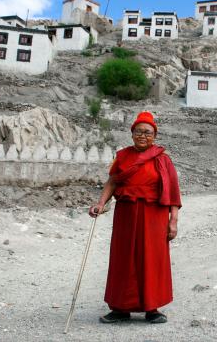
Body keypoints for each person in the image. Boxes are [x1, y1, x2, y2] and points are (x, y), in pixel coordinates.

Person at [89, 111, 181, 324]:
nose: (143, 136)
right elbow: (112, 182)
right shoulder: (122, 157)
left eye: (148, 132)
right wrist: (100, 203)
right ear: (132, 134)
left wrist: (173, 221)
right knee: (123, 259)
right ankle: (120, 308)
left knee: (152, 259)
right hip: (126, 215)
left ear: (154, 136)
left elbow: (173, 192)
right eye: (138, 131)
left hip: (154, 216)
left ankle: (152, 308)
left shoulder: (163, 160)